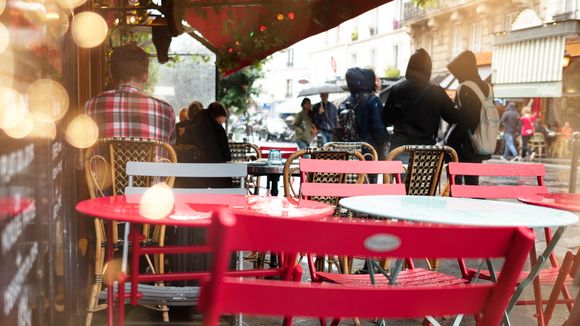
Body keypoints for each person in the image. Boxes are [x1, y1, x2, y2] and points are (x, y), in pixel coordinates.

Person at [85, 44, 175, 144]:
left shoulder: (91, 106)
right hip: (150, 160)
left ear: (111, 74)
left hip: (104, 160)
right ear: (145, 76)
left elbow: (84, 148)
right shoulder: (165, 110)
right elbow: (171, 154)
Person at [383, 48, 460, 163]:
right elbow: (453, 117)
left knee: (400, 181)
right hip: (425, 150)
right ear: (428, 68)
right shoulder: (437, 92)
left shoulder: (397, 89)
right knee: (425, 181)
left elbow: (386, 119)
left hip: (400, 149)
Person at [444, 50, 492, 185]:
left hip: (462, 144)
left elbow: (465, 119)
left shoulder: (465, 87)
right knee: (472, 183)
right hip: (479, 142)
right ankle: (475, 206)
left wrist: (449, 141)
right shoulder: (487, 87)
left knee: (455, 184)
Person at [343, 67, 387, 160]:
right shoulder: (373, 100)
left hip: (349, 152)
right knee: (369, 174)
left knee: (353, 174)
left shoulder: (345, 102)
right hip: (370, 152)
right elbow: (378, 128)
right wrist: (384, 142)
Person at [189, 102, 232, 188]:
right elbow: (226, 156)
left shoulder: (189, 128)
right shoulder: (218, 130)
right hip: (216, 179)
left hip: (193, 180)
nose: (220, 125)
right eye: (220, 123)